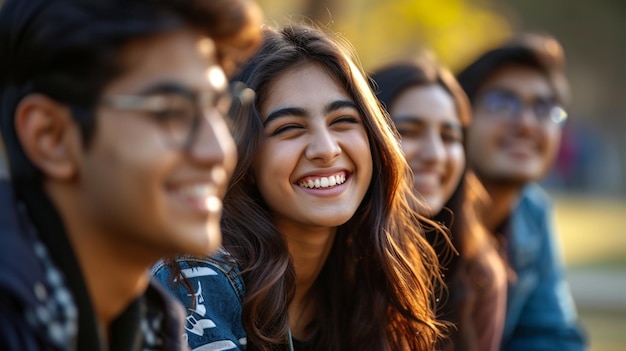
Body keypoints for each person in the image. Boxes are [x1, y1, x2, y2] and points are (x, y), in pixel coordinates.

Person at [153, 23, 448, 351]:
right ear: (244, 157)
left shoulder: (367, 278)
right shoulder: (197, 276)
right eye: (290, 128)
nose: (326, 148)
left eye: (343, 121)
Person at [0, 0, 262, 349]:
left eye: (218, 107)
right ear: (51, 137)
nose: (218, 150)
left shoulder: (155, 328)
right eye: (171, 112)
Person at [456, 33, 588, 350]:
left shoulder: (532, 211)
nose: (527, 124)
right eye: (502, 102)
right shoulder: (418, 209)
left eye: (544, 108)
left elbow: (553, 335)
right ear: (460, 116)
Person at [370, 57, 507, 351]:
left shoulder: (480, 275)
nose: (435, 154)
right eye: (408, 131)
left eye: (449, 136)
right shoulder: (325, 255)